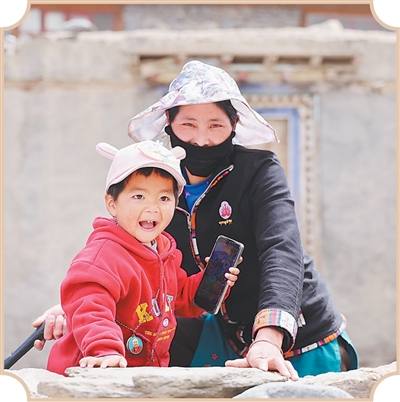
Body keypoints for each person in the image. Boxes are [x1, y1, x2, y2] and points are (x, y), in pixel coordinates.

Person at [33, 60, 358, 380]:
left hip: (294, 338)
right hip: (218, 335)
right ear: (169, 123)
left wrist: (270, 338)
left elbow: (282, 248)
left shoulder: (258, 171)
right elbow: (124, 266)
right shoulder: (157, 182)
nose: (201, 139)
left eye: (215, 125)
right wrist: (76, 305)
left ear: (234, 124)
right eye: (188, 124)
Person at [44, 139, 240, 375]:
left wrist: (213, 281)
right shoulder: (102, 257)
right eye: (139, 196)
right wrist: (104, 351)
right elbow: (91, 309)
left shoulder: (164, 252)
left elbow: (180, 298)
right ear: (112, 203)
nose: (153, 207)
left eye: (164, 198)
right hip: (93, 370)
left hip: (140, 373)